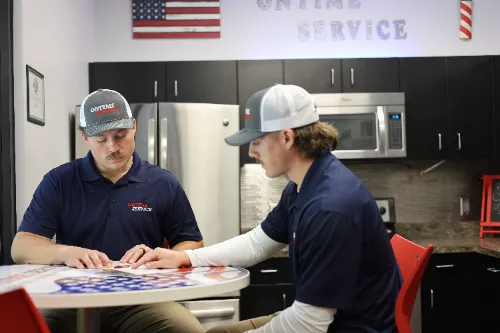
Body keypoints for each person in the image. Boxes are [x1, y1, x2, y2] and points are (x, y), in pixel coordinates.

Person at [131, 84, 403, 333]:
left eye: (257, 140)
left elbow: (309, 324)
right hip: (326, 320)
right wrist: (188, 258)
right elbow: (257, 244)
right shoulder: (302, 186)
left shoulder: (330, 208)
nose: (251, 151)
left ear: (286, 138)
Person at [11, 89, 205, 333]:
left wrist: (158, 255)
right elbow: (21, 248)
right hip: (70, 299)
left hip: (141, 300)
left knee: (188, 330)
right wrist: (66, 253)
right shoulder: (59, 181)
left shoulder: (163, 183)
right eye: (101, 139)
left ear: (134, 127)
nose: (113, 147)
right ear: (84, 137)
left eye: (121, 135)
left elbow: (193, 243)